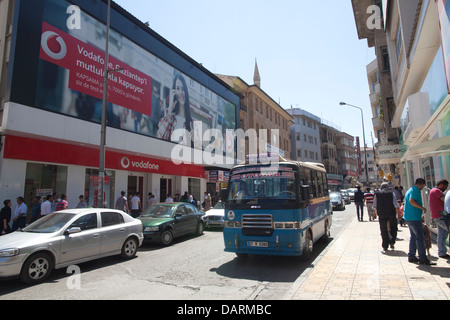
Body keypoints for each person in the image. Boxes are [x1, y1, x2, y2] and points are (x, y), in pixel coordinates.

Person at [404, 178, 435, 265]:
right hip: (414, 218)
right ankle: (422, 258)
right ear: (421, 184)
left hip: (409, 217)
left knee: (413, 237)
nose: (423, 187)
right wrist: (422, 208)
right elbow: (411, 201)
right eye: (423, 186)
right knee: (420, 238)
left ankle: (412, 256)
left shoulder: (410, 190)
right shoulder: (416, 190)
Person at [156, 73, 193, 145]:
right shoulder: (170, 117)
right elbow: (159, 137)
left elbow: (195, 152)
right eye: (178, 89)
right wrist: (170, 108)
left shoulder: (192, 123)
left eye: (183, 89)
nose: (181, 92)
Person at [373, 182, 400, 252]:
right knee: (393, 228)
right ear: (388, 188)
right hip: (391, 214)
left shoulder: (377, 194)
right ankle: (392, 241)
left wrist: (374, 214)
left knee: (383, 229)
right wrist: (399, 213)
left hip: (381, 214)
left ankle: (385, 245)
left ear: (381, 188)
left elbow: (374, 206)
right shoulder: (391, 194)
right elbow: (396, 205)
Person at [429, 179, 449, 258]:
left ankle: (442, 252)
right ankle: (442, 252)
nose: (446, 188)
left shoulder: (432, 190)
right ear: (441, 185)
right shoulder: (437, 191)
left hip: (436, 215)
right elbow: (445, 200)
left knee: (441, 235)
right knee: (443, 234)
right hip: (441, 216)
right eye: (445, 186)